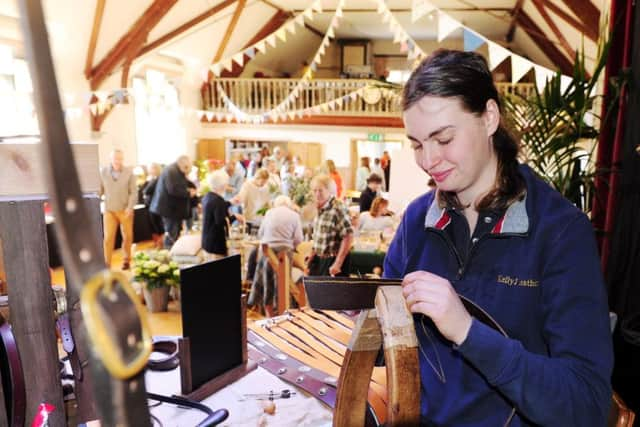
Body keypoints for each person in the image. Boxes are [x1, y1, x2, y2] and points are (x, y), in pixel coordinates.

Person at [384, 49, 612, 426]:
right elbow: (391, 348)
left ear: (489, 117)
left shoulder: (560, 231)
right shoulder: (416, 222)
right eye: (417, 144)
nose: (428, 160)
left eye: (443, 139)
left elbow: (585, 404)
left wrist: (467, 332)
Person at [248, 195, 303, 317]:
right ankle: (284, 313)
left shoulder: (269, 213)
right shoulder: (294, 215)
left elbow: (260, 233)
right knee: (284, 286)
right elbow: (299, 239)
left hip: (267, 252)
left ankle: (269, 315)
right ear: (289, 204)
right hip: (285, 253)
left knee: (268, 284)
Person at [306, 174, 353, 276]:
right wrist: (312, 255)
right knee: (313, 290)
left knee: (331, 292)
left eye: (320, 190)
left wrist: (338, 263)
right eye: (315, 190)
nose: (317, 194)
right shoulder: (319, 206)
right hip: (319, 259)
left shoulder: (338, 207)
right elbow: (318, 237)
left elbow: (348, 236)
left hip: (333, 261)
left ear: (329, 190)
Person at [99, 149, 137, 270]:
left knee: (127, 237)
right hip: (109, 210)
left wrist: (130, 207)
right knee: (108, 238)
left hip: (125, 210)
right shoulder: (103, 172)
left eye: (120, 158)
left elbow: (134, 192)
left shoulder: (129, 172)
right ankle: (107, 264)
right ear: (111, 159)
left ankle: (126, 260)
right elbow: (99, 190)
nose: (118, 161)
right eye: (115, 158)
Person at [150, 155, 197, 248]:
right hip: (169, 209)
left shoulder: (176, 170)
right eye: (187, 168)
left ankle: (173, 253)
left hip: (173, 209)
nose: (188, 171)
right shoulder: (172, 171)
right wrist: (189, 193)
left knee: (175, 233)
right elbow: (173, 189)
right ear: (183, 165)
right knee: (171, 234)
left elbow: (181, 184)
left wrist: (190, 188)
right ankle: (170, 255)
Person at [201, 170, 243, 260]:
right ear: (223, 185)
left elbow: (216, 208)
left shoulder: (208, 196)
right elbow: (221, 222)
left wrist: (230, 202)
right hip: (215, 243)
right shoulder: (218, 201)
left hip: (207, 240)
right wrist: (234, 217)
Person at [142, 163, 164, 248]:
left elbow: (146, 191)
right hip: (149, 205)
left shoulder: (158, 179)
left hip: (156, 205)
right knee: (152, 225)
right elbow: (142, 190)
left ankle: (160, 243)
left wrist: (149, 181)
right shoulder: (150, 179)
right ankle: (157, 243)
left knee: (157, 225)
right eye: (150, 169)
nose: (151, 170)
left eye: (153, 168)